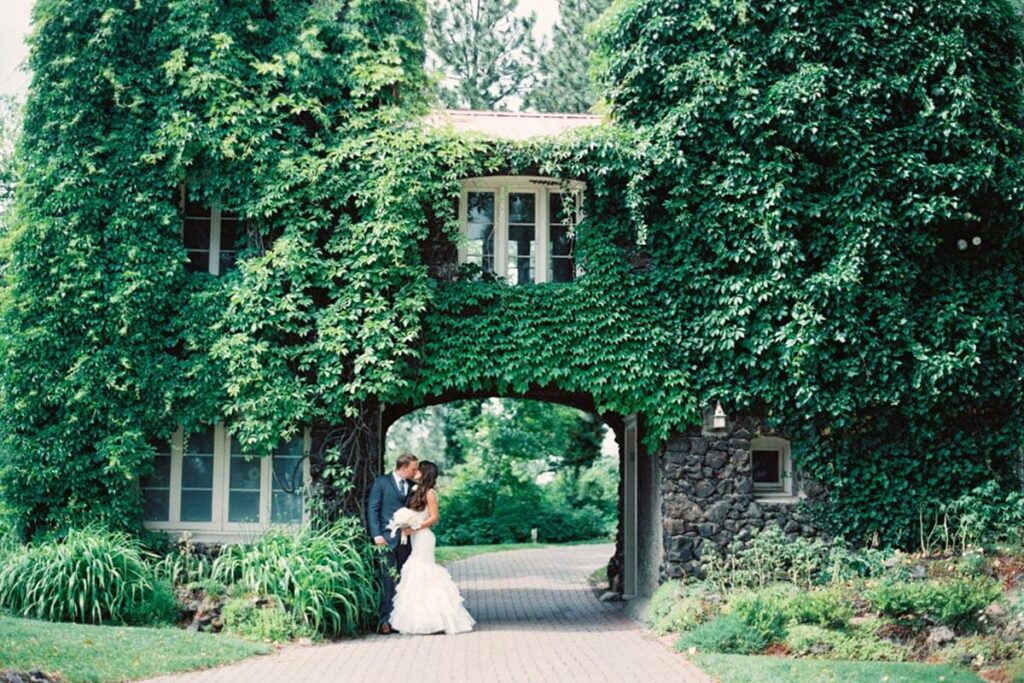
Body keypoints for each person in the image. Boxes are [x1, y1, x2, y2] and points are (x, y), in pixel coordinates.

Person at [389, 460, 475, 635]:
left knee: (420, 570)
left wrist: (415, 527)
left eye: (418, 470)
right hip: (415, 537)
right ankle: (420, 618)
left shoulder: (430, 493)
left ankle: (436, 619)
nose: (415, 472)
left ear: (425, 473)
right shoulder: (415, 490)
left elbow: (434, 517)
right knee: (416, 571)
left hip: (424, 537)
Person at [367, 452, 419, 635]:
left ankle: (402, 620)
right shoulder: (381, 482)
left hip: (407, 541)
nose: (416, 472)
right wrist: (376, 535)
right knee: (388, 580)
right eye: (413, 469)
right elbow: (372, 509)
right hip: (386, 540)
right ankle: (385, 620)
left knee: (406, 579)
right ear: (403, 467)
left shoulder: (413, 486)